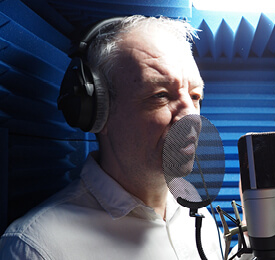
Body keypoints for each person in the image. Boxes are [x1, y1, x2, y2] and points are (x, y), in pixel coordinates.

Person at [0, 15, 224, 259]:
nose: (192, 118)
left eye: (195, 96)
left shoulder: (198, 216)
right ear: (98, 112)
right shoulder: (36, 248)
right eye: (160, 95)